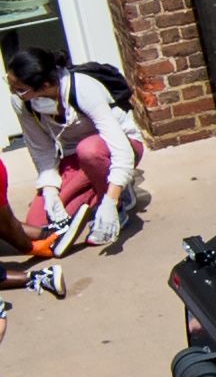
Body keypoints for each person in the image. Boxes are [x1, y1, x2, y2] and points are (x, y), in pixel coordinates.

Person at [9, 48, 147, 244]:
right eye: (10, 84)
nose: (13, 92)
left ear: (45, 85)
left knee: (89, 151)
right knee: (39, 223)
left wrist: (110, 201)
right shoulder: (22, 102)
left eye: (19, 88)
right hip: (74, 158)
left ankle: (116, 200)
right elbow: (42, 150)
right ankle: (100, 187)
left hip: (116, 148)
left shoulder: (83, 88)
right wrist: (49, 190)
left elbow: (122, 151)